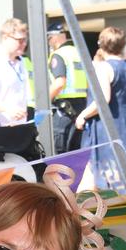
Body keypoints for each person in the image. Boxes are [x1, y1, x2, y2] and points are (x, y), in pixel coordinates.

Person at [76, 27, 126, 200]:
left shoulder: (103, 67)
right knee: (124, 173)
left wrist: (83, 115)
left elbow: (103, 99)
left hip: (107, 128)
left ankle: (95, 215)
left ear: (101, 44)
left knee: (102, 174)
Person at [47, 23, 88, 153]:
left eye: (49, 38)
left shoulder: (58, 55)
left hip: (64, 110)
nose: (49, 42)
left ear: (56, 37)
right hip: (82, 108)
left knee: (60, 152)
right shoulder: (80, 53)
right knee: (78, 151)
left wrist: (44, 102)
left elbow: (59, 82)